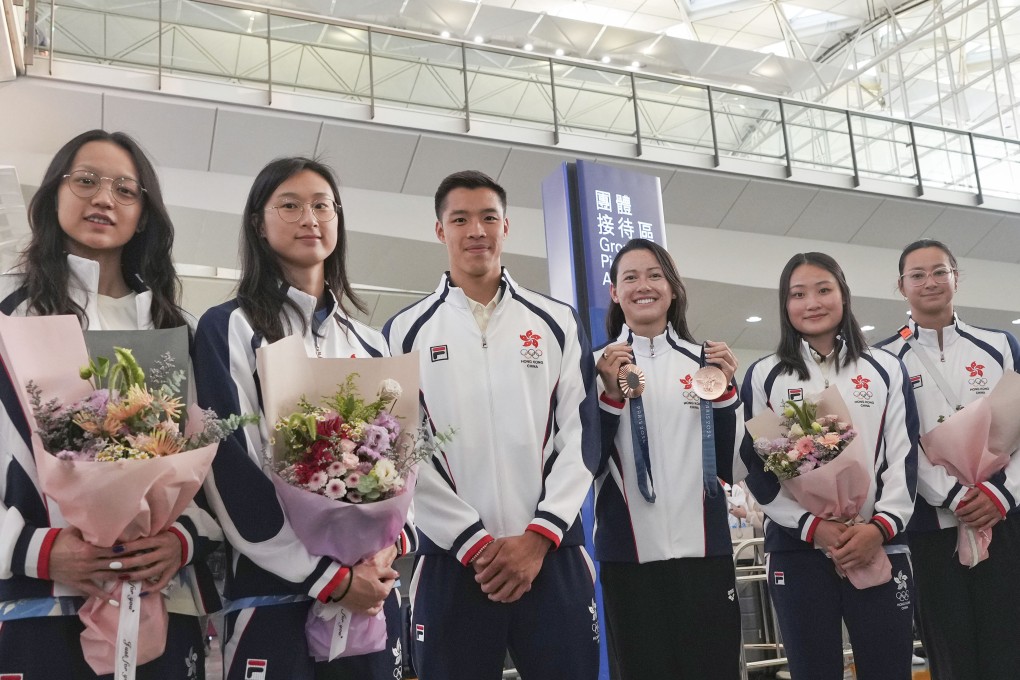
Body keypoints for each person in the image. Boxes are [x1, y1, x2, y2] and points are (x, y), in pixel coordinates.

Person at [0, 129, 219, 677]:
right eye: (86, 181)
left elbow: (219, 464)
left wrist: (181, 541)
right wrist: (34, 548)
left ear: (144, 214)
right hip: (38, 603)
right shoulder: (9, 316)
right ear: (54, 194)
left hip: (161, 602)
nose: (104, 198)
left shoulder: (178, 328)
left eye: (126, 189)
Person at [384, 170, 600, 680]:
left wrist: (540, 536)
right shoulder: (403, 331)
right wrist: (474, 543)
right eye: (460, 219)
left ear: (507, 226)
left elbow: (582, 435)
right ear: (441, 230)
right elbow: (401, 452)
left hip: (551, 555)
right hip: (455, 564)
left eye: (487, 217)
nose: (475, 230)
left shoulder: (555, 321)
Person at [193, 157, 402, 680]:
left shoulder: (371, 343)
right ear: (258, 224)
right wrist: (322, 576)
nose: (309, 216)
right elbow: (230, 467)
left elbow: (404, 460)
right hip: (272, 590)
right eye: (289, 205)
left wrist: (385, 551)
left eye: (321, 205)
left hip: (367, 600)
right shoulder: (230, 328)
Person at [740, 252, 918, 680]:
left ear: (843, 295)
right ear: (785, 305)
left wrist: (879, 528)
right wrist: (812, 526)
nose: (812, 302)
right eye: (797, 294)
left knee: (888, 670)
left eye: (823, 290)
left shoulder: (885, 368)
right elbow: (755, 465)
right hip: (797, 551)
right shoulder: (764, 375)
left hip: (879, 545)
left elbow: (904, 455)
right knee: (812, 671)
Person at [593, 238, 742, 679]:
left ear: (673, 289)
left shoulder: (705, 363)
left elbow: (730, 465)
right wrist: (606, 394)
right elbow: (588, 461)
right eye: (630, 278)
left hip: (705, 552)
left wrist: (728, 392)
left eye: (655, 275)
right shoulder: (594, 366)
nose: (644, 286)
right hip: (630, 557)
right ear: (615, 294)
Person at [876, 239, 1020, 680]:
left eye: (940, 271)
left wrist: (1002, 493)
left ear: (957, 276)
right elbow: (895, 445)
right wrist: (953, 495)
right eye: (917, 275)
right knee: (950, 651)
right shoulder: (885, 359)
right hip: (931, 528)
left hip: (1004, 520)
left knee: (1009, 644)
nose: (930, 282)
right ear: (901, 286)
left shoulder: (1000, 345)